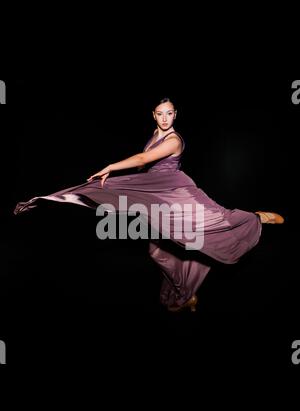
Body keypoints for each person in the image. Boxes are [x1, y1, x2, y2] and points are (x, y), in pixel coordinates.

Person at [14, 98, 284, 312]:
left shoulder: (174, 139)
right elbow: (146, 164)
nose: (165, 118)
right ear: (154, 115)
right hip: (156, 192)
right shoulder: (157, 131)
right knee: (158, 253)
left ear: (175, 114)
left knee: (216, 222)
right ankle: (186, 294)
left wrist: (111, 167)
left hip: (177, 192)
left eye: (169, 113)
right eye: (160, 113)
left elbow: (144, 159)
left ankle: (254, 219)